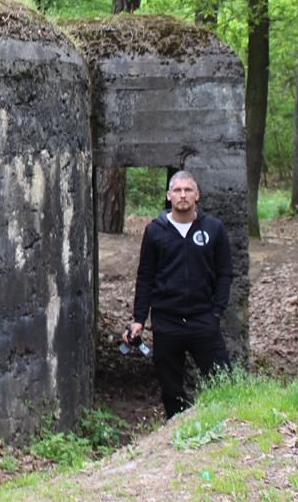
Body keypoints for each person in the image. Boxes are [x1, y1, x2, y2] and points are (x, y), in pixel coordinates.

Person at [124, 169, 232, 417]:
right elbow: (146, 276)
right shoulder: (155, 231)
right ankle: (178, 434)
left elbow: (225, 273)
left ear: (197, 195)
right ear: (168, 196)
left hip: (203, 319)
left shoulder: (214, 229)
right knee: (170, 386)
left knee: (222, 379)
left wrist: (216, 311)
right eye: (177, 190)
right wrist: (139, 319)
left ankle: (225, 425)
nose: (183, 195)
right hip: (167, 321)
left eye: (188, 190)